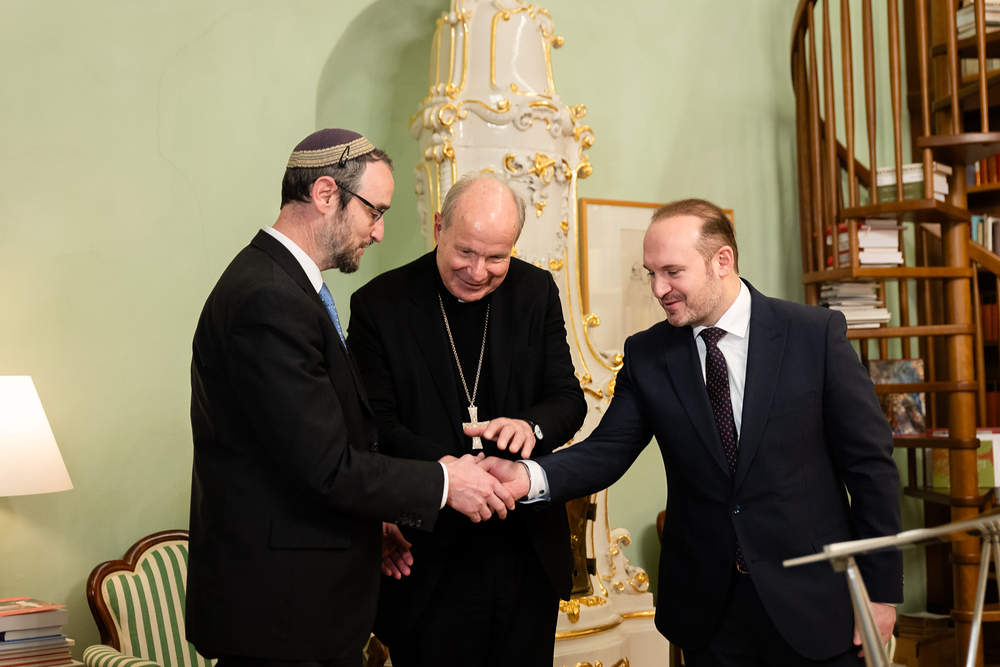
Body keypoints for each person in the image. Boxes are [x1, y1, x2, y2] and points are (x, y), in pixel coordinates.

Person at [477, 199, 903, 666]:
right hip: (709, 616)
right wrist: (527, 477)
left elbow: (870, 468)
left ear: (722, 261)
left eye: (672, 272)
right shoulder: (647, 354)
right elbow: (607, 450)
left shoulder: (814, 335)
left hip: (817, 605)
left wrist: (881, 594)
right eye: (651, 274)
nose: (658, 289)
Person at [185, 129, 514, 667]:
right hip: (280, 618)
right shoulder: (270, 297)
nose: (379, 231)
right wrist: (445, 481)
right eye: (374, 211)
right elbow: (326, 465)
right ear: (325, 194)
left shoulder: (285, 285)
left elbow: (301, 451)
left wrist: (368, 523)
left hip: (297, 611)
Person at [348, 172, 587, 667]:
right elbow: (375, 427)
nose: (479, 271)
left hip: (525, 555)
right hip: (428, 557)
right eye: (465, 252)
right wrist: (449, 472)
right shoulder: (380, 305)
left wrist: (530, 427)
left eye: (497, 257)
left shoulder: (536, 291)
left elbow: (567, 399)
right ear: (439, 227)